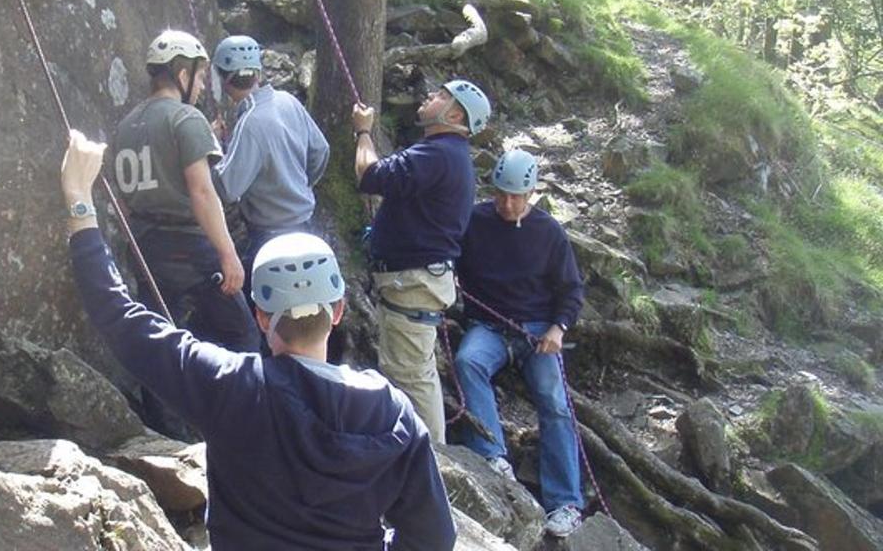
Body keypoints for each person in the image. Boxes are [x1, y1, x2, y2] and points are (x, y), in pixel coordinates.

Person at [61, 130, 457, 551]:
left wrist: (79, 199)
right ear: (338, 311)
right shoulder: (391, 411)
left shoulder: (229, 384)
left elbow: (120, 318)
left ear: (262, 316)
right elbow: (434, 538)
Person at [453, 148, 586, 538]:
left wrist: (558, 329)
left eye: (516, 196)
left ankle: (565, 501)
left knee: (556, 403)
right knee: (468, 362)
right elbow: (448, 253)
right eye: (500, 194)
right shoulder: (475, 221)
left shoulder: (549, 233)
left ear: (531, 194)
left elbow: (571, 290)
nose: (507, 204)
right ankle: (492, 455)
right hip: (490, 326)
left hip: (537, 331)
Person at [352, 80, 491, 444]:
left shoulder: (441, 154)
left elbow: (369, 176)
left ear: (456, 114)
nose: (430, 96)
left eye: (441, 96)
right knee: (414, 372)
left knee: (410, 375)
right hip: (417, 281)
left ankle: (435, 462)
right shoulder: (444, 154)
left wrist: (364, 132)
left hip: (412, 283)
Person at [111, 29, 258, 355]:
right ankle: (243, 404)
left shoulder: (126, 126)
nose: (203, 85)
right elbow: (203, 192)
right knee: (244, 335)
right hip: (190, 247)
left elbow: (123, 202)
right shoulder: (186, 118)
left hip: (145, 244)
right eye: (201, 77)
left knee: (160, 340)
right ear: (182, 74)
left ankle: (160, 406)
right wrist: (228, 254)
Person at [209, 34, 330, 294]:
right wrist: (299, 184)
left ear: (223, 79)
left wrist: (212, 149)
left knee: (270, 310)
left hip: (270, 236)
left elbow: (228, 187)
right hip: (305, 224)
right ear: (257, 72)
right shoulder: (288, 101)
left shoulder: (251, 122)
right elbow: (320, 151)